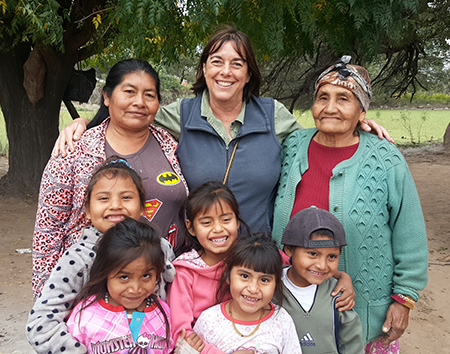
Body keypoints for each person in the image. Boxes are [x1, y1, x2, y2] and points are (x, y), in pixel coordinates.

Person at [52, 26, 391, 238]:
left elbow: (318, 140)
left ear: (248, 74)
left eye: (237, 63)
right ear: (204, 69)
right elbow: (131, 115)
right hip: (194, 258)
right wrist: (86, 124)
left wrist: (356, 123)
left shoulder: (274, 116)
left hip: (257, 258)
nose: (225, 71)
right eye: (216, 61)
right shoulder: (178, 116)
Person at [272, 56, 428, 352]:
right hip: (289, 313)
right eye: (322, 97)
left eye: (344, 98)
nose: (330, 107)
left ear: (362, 110)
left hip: (365, 313)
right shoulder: (292, 146)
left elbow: (410, 234)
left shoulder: (385, 159)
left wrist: (403, 299)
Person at [32, 59, 188, 298]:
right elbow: (49, 229)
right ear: (107, 97)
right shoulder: (75, 149)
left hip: (156, 286)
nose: (139, 102)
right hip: (90, 287)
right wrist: (47, 299)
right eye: (129, 92)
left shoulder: (170, 145)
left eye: (149, 95)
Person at [26, 157, 176, 353]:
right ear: (87, 210)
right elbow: (41, 323)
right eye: (104, 198)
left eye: (126, 197)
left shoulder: (160, 248)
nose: (115, 205)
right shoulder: (79, 259)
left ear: (142, 207)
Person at [66, 218, 174, 353]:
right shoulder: (85, 316)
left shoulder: (162, 313)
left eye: (146, 276)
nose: (135, 289)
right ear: (105, 273)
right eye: (124, 277)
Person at [167, 181, 249, 354]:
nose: (218, 229)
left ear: (237, 220)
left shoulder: (250, 259)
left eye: (226, 220)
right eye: (206, 222)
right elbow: (181, 334)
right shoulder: (185, 272)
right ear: (191, 227)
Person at [193, 232, 302, 354]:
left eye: (264, 280)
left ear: (276, 283)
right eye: (245, 276)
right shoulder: (209, 321)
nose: (253, 289)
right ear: (228, 276)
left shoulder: (282, 320)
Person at [281, 207, 363, 354]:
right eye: (313, 254)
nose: (322, 266)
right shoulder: (269, 288)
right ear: (288, 250)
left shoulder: (339, 296)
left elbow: (352, 345)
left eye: (332, 256)